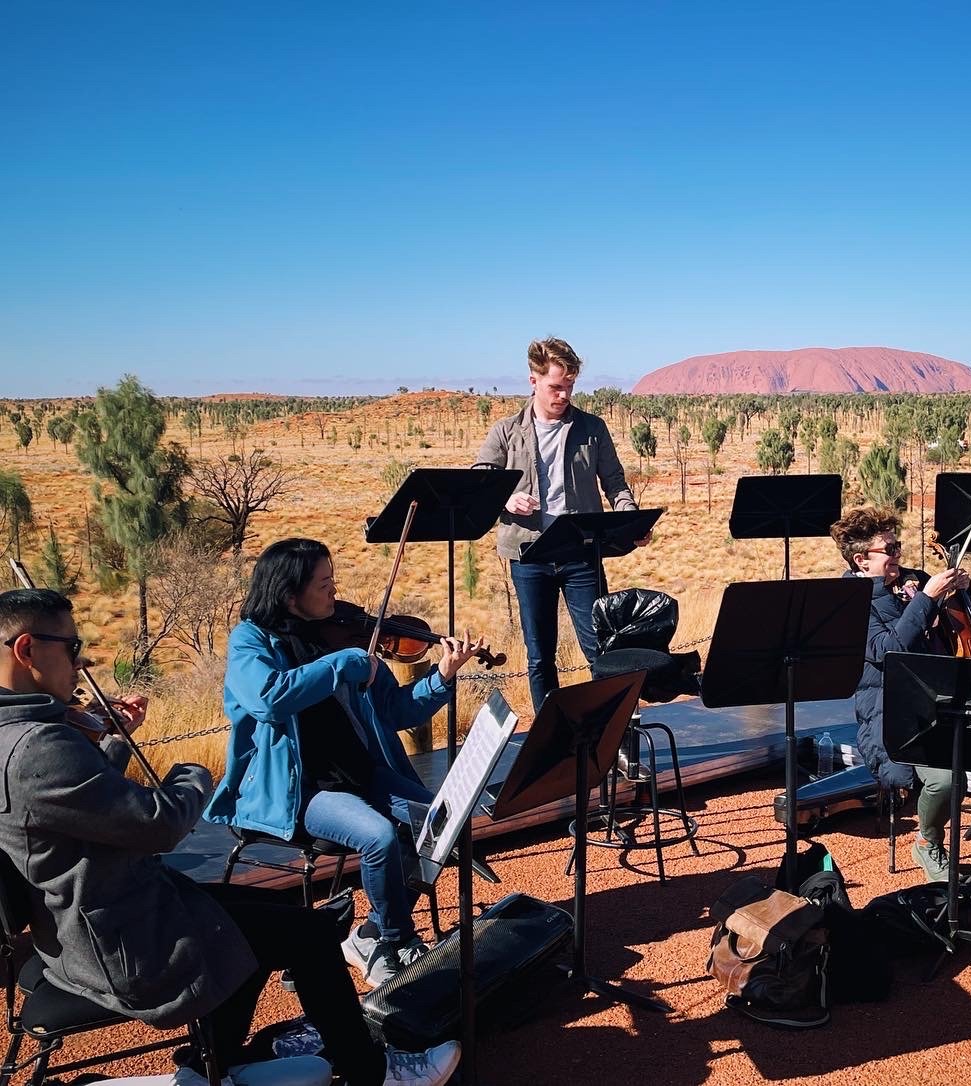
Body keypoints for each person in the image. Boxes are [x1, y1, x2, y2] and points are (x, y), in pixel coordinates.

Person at [0, 587, 462, 1086]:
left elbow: (82, 810)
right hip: (124, 940)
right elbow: (162, 824)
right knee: (307, 936)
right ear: (27, 650)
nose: (80, 661)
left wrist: (109, 741)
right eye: (71, 648)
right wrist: (195, 772)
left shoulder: (24, 733)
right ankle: (375, 1074)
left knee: (279, 920)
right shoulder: (39, 746)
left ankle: (213, 1061)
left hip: (95, 917)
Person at [206, 538, 487, 988]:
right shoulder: (250, 642)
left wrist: (442, 676)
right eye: (324, 584)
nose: (334, 593)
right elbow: (268, 698)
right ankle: (395, 939)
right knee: (378, 836)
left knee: (442, 822)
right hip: (301, 792)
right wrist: (343, 662)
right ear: (288, 594)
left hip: (360, 774)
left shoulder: (342, 636)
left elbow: (396, 711)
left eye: (332, 580)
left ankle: (373, 930)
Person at [830, 507, 971, 911]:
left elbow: (966, 630)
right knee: (946, 779)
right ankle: (927, 844)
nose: (899, 554)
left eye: (897, 545)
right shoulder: (850, 602)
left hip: (950, 700)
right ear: (861, 560)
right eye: (890, 549)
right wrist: (927, 599)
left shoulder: (912, 583)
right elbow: (888, 649)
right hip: (898, 714)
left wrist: (963, 594)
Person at [474, 336, 645, 715]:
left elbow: (614, 482)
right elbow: (480, 478)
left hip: (581, 551)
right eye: (555, 386)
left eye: (569, 386)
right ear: (533, 380)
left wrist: (628, 516)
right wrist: (505, 498)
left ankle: (608, 734)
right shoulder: (506, 431)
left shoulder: (592, 429)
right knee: (539, 657)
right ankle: (550, 738)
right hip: (528, 554)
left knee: (601, 649)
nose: (563, 395)